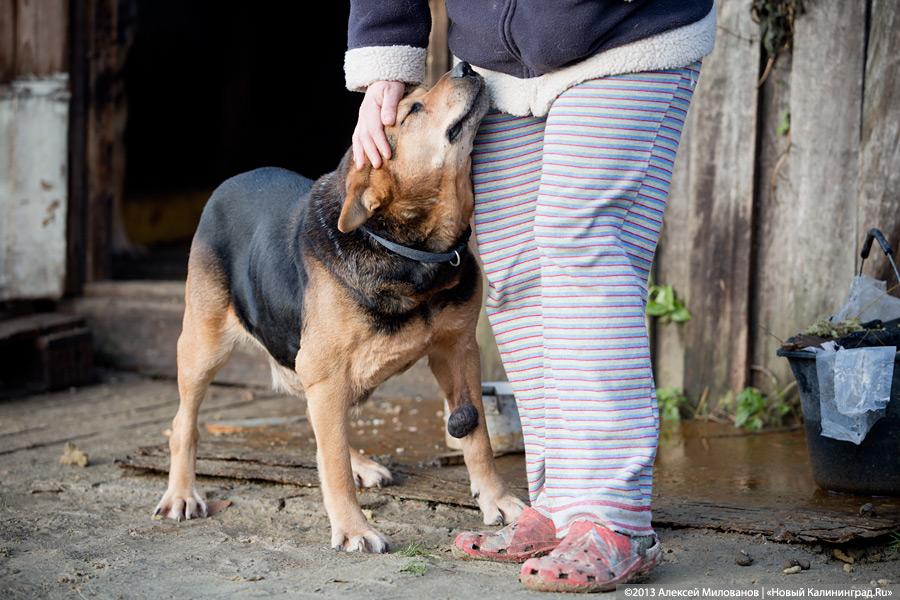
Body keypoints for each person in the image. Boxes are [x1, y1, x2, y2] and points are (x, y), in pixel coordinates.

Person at [345, 1, 716, 592]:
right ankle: (562, 504)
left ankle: (613, 519)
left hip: (622, 34)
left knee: (577, 240)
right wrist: (386, 59)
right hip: (495, 60)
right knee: (516, 266)